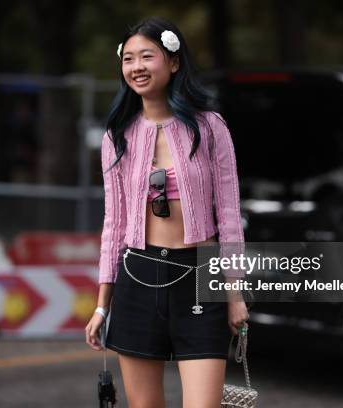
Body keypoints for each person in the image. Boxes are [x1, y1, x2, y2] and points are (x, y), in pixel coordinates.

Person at [85, 17, 249, 408]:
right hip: (137, 277)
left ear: (173, 62)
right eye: (128, 59)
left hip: (200, 276)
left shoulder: (210, 128)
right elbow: (115, 224)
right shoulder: (117, 136)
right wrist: (101, 305)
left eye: (147, 56)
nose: (136, 67)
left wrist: (235, 293)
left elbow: (229, 213)